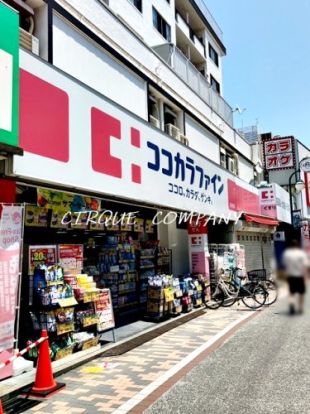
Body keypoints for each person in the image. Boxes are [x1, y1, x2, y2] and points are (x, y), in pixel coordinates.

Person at [282, 239, 309, 314]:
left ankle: (292, 306)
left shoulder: (287, 253)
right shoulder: (301, 254)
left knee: (291, 293)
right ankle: (300, 308)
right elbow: (306, 265)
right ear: (297, 245)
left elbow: (284, 265)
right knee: (301, 293)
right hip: (299, 276)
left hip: (290, 276)